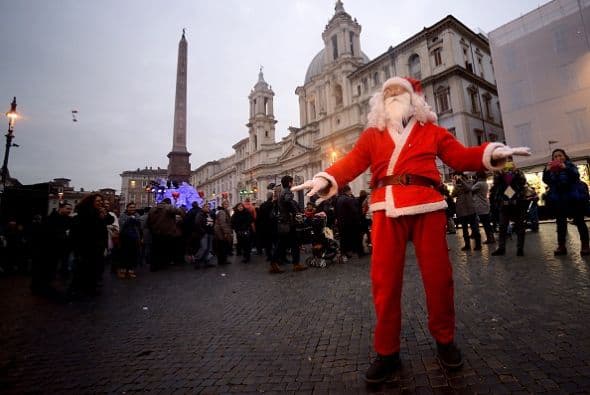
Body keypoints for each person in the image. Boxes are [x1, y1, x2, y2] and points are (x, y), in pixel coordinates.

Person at [292, 76, 530, 383]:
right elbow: (350, 163)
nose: (392, 96)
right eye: (387, 93)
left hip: (427, 206)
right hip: (386, 208)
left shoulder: (430, 130)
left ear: (413, 99)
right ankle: (387, 352)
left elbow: (459, 155)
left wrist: (491, 153)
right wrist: (326, 178)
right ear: (381, 102)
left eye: (398, 92)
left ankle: (445, 341)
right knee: (384, 283)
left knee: (439, 279)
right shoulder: (372, 135)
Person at [543, 148, 590, 256]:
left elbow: (575, 176)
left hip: (573, 198)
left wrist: (565, 168)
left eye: (560, 155)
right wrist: (547, 170)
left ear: (565, 156)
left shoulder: (570, 165)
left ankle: (585, 246)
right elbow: (546, 181)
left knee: (579, 221)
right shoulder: (551, 169)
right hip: (559, 199)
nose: (558, 158)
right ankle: (561, 246)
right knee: (560, 224)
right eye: (555, 157)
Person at [490, 158, 529, 256]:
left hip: (517, 203)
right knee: (502, 227)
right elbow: (496, 185)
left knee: (520, 227)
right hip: (504, 203)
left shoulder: (518, 172)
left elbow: (523, 182)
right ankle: (501, 248)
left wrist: (516, 171)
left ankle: (520, 249)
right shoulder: (499, 173)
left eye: (508, 161)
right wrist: (499, 173)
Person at [269, 175, 308, 274]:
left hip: (284, 222)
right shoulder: (287, 191)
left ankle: (290, 263)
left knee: (285, 244)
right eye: (292, 181)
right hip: (288, 223)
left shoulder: (282, 191)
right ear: (289, 183)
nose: (293, 183)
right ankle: (294, 264)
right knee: (289, 244)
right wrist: (296, 212)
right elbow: (288, 200)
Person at [452, 173, 482, 251]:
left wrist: (462, 180)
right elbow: (452, 195)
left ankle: (478, 245)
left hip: (470, 209)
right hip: (462, 211)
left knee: (474, 228)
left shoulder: (470, 182)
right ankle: (467, 245)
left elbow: (469, 188)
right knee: (464, 229)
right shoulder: (457, 186)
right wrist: (455, 185)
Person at [118, 202, 142, 279]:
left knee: (133, 255)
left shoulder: (137, 215)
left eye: (133, 207)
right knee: (124, 255)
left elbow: (139, 224)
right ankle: (123, 270)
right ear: (127, 208)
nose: (132, 209)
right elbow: (122, 225)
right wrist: (131, 219)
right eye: (131, 207)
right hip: (124, 238)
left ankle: (131, 270)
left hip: (134, 238)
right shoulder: (122, 216)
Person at [472, 172, 495, 244]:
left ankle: (490, 238)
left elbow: (471, 189)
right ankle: (491, 237)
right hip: (485, 205)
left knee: (486, 224)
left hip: (481, 206)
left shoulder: (479, 183)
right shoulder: (485, 183)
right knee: (487, 223)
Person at [213, 200, 233, 265]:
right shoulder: (222, 212)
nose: (226, 205)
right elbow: (222, 223)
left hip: (220, 231)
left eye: (227, 204)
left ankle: (222, 260)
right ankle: (222, 261)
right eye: (225, 204)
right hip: (221, 232)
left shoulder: (223, 211)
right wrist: (225, 232)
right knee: (223, 246)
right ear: (222, 205)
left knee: (222, 246)